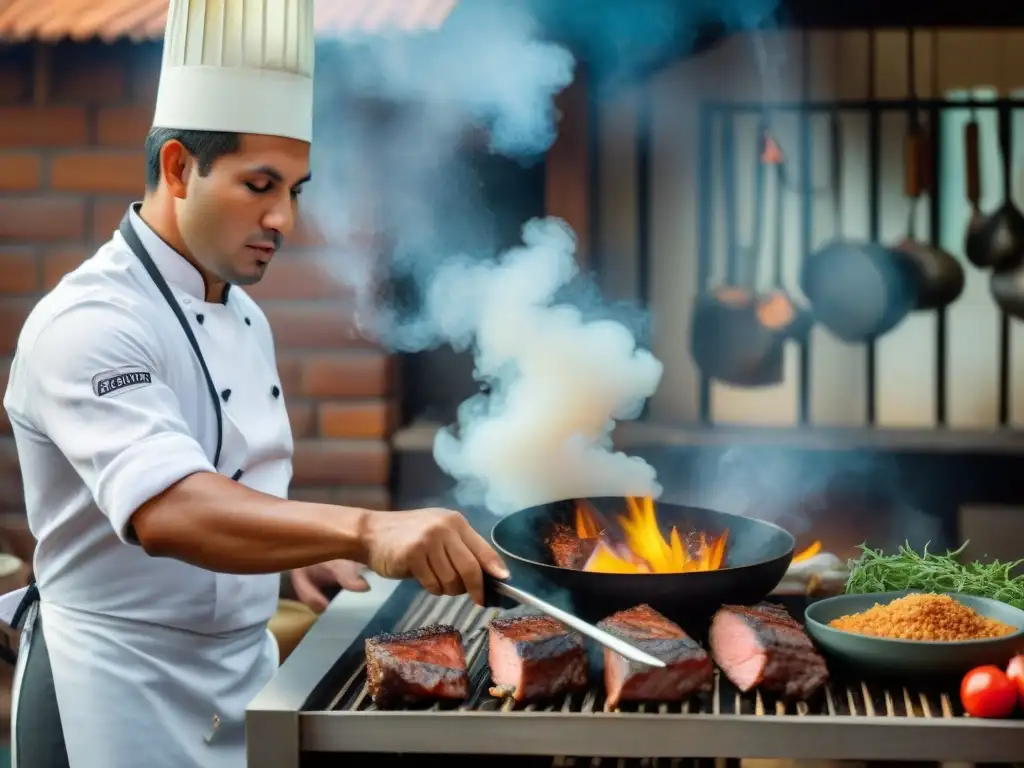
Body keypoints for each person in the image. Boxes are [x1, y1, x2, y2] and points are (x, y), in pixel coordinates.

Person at [0, 1, 508, 766]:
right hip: (111, 693)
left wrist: (285, 551)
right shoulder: (88, 322)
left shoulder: (240, 313)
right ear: (178, 168)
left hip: (239, 681)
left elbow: (222, 475)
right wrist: (369, 531)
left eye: (296, 189)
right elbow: (170, 509)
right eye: (260, 184)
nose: (284, 218)